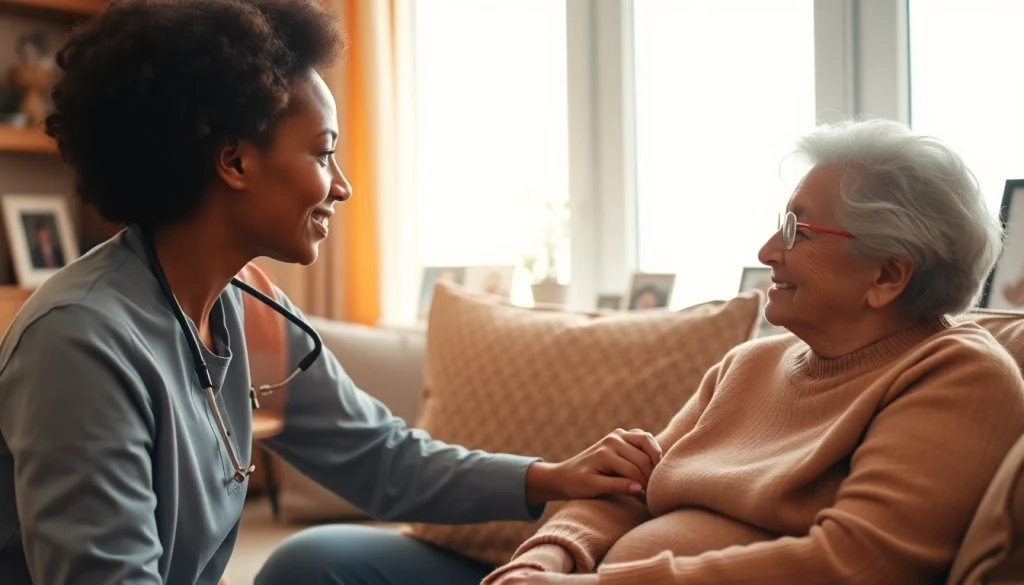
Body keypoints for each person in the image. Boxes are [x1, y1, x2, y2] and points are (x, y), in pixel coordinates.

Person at [0, 2, 663, 584]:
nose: (341, 186)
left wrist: (553, 476)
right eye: (322, 153)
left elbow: (379, 458)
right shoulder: (79, 342)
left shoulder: (245, 305)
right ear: (234, 161)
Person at [483, 119, 1024, 585]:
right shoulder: (748, 365)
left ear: (886, 275)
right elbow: (629, 491)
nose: (767, 252)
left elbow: (856, 563)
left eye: (797, 231)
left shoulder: (956, 374)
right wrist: (540, 560)